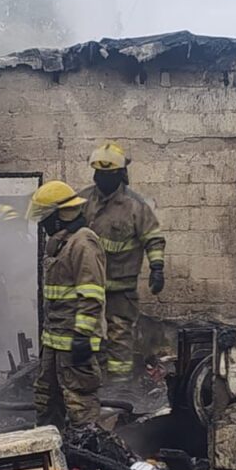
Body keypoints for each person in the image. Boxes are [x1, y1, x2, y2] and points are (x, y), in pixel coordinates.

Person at [77, 142, 167, 383]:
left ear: (119, 174)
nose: (101, 178)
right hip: (87, 285)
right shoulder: (83, 200)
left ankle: (118, 385)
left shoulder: (135, 206)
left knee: (120, 335)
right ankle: (90, 380)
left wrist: (157, 267)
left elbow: (153, 237)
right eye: (99, 173)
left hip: (121, 285)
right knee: (87, 333)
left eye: (107, 174)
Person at [26, 181, 107, 430]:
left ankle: (92, 461)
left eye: (46, 219)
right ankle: (50, 457)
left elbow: (91, 295)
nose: (43, 226)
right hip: (55, 341)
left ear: (62, 215)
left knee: (79, 404)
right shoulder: (63, 244)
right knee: (46, 400)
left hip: (75, 341)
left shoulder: (83, 244)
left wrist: (83, 335)